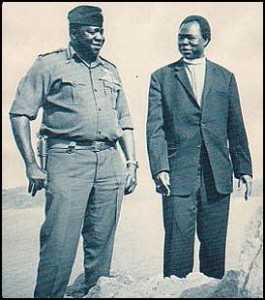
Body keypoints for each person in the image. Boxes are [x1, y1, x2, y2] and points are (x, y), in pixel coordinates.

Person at [9, 5, 139, 298]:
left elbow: (125, 121)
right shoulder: (48, 65)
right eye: (92, 31)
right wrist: (31, 164)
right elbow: (19, 114)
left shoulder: (111, 70)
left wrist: (131, 163)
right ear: (74, 32)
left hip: (109, 163)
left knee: (101, 247)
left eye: (101, 31)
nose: (99, 37)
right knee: (58, 246)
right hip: (67, 161)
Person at [146, 15, 252, 280]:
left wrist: (244, 170)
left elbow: (235, 127)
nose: (183, 42)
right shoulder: (161, 77)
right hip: (178, 175)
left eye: (190, 37)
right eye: (180, 36)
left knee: (215, 253)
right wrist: (160, 168)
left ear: (206, 39)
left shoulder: (225, 77)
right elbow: (155, 128)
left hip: (216, 174)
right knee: (177, 253)